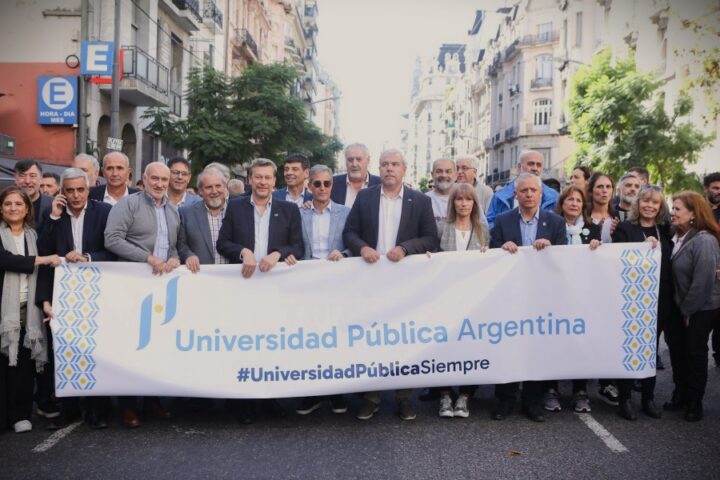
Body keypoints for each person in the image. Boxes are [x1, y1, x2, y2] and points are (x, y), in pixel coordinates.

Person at [343, 148, 439, 421]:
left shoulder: (420, 201)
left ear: (404, 169)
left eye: (395, 164)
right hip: (370, 280)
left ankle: (403, 397)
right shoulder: (365, 197)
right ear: (379, 168)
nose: (389, 168)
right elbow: (349, 232)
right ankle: (372, 397)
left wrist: (405, 248)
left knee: (402, 338)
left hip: (405, 283)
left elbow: (430, 238)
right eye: (385, 164)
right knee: (373, 338)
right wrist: (362, 248)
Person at [216, 158, 303, 423]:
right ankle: (242, 400)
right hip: (243, 287)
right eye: (258, 177)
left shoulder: (289, 210)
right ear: (250, 180)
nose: (263, 182)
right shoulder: (236, 206)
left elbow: (298, 247)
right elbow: (223, 243)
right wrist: (243, 251)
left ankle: (269, 398)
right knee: (244, 343)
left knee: (270, 343)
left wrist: (278, 253)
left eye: (267, 177)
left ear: (274, 181)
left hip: (275, 290)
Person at [35, 169, 115, 429]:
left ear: (88, 189)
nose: (76, 195)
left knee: (97, 349)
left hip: (97, 293)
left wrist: (87, 258)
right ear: (62, 192)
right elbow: (42, 252)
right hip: (64, 295)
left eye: (80, 190)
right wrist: (54, 217)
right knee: (63, 350)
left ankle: (96, 411)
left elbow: (114, 251)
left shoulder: (104, 212)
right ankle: (66, 410)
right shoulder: (53, 215)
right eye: (70, 190)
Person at [104, 162, 180, 428]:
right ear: (144, 179)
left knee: (155, 344)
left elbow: (172, 246)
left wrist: (174, 258)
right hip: (130, 284)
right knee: (129, 344)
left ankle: (152, 401)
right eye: (154, 179)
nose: (159, 184)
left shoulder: (172, 210)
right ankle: (128, 406)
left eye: (164, 180)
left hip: (159, 287)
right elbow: (112, 239)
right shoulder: (128, 204)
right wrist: (147, 258)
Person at [489, 173, 567, 423]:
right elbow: (492, 253)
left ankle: (532, 402)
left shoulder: (555, 223)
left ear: (541, 193)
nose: (529, 194)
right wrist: (502, 249)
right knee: (508, 347)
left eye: (533, 190)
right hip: (510, 296)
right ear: (516, 194)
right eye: (524, 190)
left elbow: (566, 258)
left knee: (536, 349)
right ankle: (504, 400)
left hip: (541, 297)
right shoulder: (502, 221)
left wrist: (551, 248)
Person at [287, 165, 350, 416]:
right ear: (309, 186)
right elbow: (291, 242)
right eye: (317, 183)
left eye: (327, 183)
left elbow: (355, 242)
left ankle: (336, 392)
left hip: (337, 284)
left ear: (332, 186)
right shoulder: (298, 213)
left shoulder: (346, 212)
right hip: (307, 284)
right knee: (310, 337)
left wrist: (344, 253)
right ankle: (311, 392)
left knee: (335, 337)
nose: (322, 188)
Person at [0, 186, 61, 433]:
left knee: (23, 365)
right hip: (3, 309)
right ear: (1, 209)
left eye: (18, 204)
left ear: (27, 209)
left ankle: (20, 415)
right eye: (8, 204)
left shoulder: (33, 236)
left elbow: (49, 260)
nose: (13, 208)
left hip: (28, 309)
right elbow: (5, 260)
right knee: (3, 363)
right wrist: (43, 259)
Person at [612, 185, 673, 420]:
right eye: (646, 201)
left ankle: (648, 397)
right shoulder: (625, 228)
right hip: (632, 296)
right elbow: (617, 259)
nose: (650, 206)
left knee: (650, 348)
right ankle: (625, 398)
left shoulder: (665, 229)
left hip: (660, 297)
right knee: (629, 344)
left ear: (660, 206)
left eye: (655, 202)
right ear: (638, 203)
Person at [540, 186, 602, 415]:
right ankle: (551, 389)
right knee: (553, 341)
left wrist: (597, 248)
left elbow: (601, 260)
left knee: (580, 342)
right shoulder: (550, 225)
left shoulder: (593, 228)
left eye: (578, 200)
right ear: (562, 203)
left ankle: (580, 391)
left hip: (582, 296)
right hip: (554, 294)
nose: (574, 204)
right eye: (570, 200)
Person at [665, 191, 720, 421]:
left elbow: (703, 281)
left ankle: (694, 403)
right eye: (673, 208)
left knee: (695, 353)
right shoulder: (674, 236)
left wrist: (688, 311)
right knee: (678, 351)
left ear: (693, 214)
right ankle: (680, 394)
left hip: (702, 308)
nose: (672, 213)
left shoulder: (705, 240)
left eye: (677, 209)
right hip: (680, 307)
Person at [435, 183, 488, 418]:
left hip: (473, 300)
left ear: (474, 203)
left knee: (470, 347)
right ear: (453, 203)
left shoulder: (483, 229)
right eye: (459, 199)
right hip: (445, 298)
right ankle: (445, 395)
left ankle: (465, 396)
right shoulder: (441, 227)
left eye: (468, 199)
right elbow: (432, 257)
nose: (463, 203)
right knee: (444, 347)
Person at [485, 150, 559, 229]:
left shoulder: (554, 197)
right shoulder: (500, 196)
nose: (535, 168)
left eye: (539, 165)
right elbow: (489, 223)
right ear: (519, 166)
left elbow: (559, 224)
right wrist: (504, 234)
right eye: (531, 164)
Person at [178, 166, 230, 270]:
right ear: (200, 191)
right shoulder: (186, 213)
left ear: (225, 188)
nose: (214, 191)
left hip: (233, 276)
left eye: (218, 186)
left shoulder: (237, 210)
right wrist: (188, 255)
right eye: (209, 187)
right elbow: (181, 245)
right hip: (200, 276)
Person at [330, 143, 381, 208]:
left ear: (368, 160)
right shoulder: (331, 183)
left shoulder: (380, 184)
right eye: (350, 160)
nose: (354, 164)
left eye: (359, 159)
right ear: (345, 162)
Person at [14, 160, 53, 232]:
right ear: (16, 179)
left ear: (41, 179)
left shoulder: (53, 204)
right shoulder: (4, 204)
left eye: (32, 176)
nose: (27, 181)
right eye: (22, 176)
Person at [586, 172, 618, 244]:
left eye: (608, 186)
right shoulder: (583, 217)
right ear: (590, 191)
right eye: (600, 186)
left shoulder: (619, 217)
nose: (604, 190)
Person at [426, 158, 457, 222]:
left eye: (448, 171)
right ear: (432, 175)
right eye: (439, 171)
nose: (443, 175)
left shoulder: (465, 200)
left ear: (455, 175)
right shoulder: (423, 200)